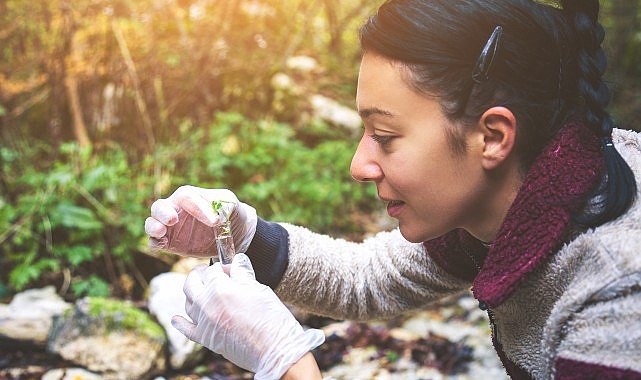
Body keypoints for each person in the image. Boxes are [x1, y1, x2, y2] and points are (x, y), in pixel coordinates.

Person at [145, 0, 641, 378]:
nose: (360, 165)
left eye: (384, 137)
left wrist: (286, 360)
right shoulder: (524, 193)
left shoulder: (617, 295)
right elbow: (369, 279)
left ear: (492, 137)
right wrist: (242, 233)